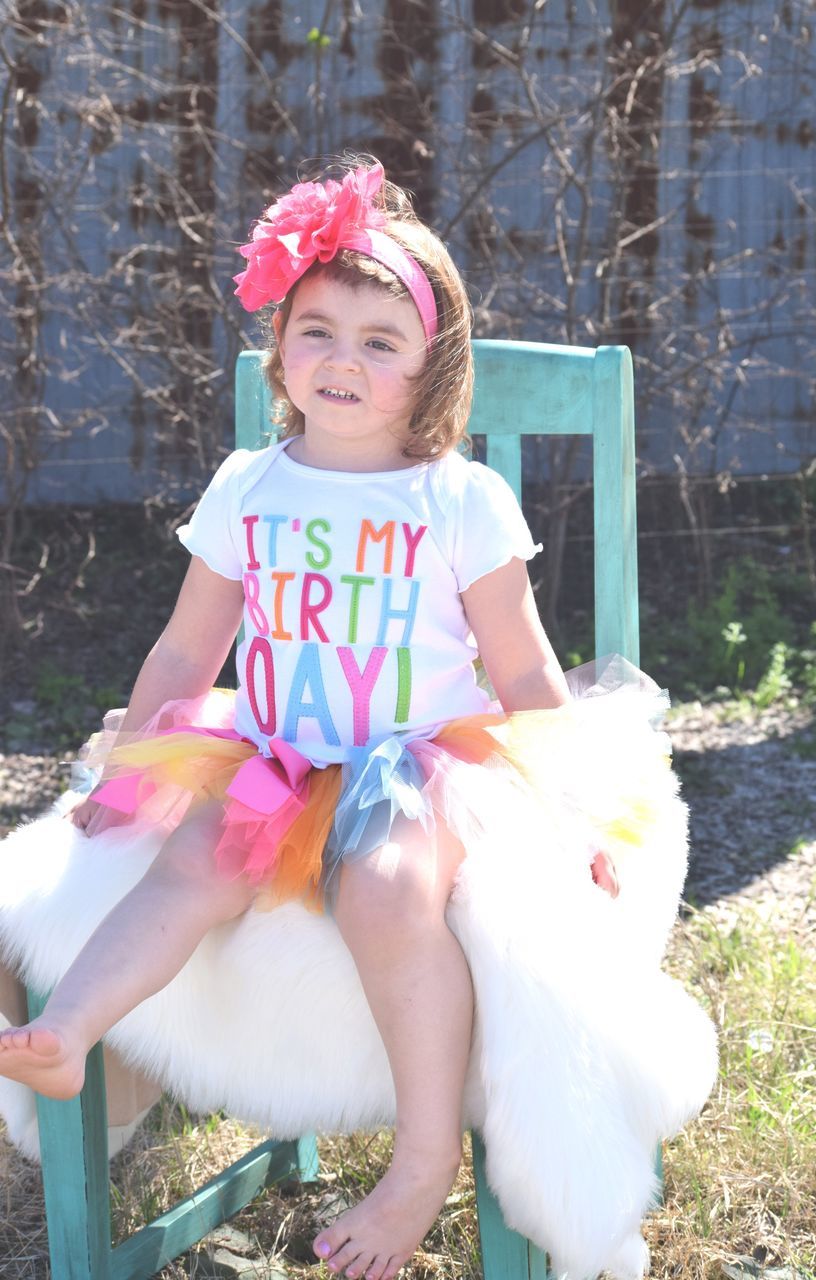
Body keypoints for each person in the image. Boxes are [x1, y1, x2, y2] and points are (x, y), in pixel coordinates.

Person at [0, 157, 621, 1280]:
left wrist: (576, 815)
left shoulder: (456, 497)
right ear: (279, 345)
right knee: (192, 860)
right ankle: (67, 1033)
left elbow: (526, 669)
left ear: (430, 366)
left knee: (385, 886)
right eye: (317, 330)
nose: (342, 358)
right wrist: (130, 775)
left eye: (380, 340)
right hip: (277, 757)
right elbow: (189, 649)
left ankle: (423, 1154)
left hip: (419, 764)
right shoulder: (250, 484)